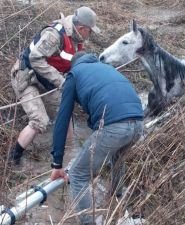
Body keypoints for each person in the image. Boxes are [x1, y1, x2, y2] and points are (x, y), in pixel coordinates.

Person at [50, 52, 144, 225]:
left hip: (114, 125)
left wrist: (57, 163)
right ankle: (115, 204)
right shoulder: (105, 68)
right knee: (117, 159)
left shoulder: (74, 74)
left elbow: (62, 119)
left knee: (78, 175)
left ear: (73, 65)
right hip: (138, 123)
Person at [9, 6, 100, 165]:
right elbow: (35, 59)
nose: (90, 35)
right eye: (90, 31)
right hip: (26, 78)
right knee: (40, 121)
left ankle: (69, 151)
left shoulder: (77, 39)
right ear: (81, 28)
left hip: (45, 80)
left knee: (64, 109)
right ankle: (14, 159)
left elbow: (74, 64)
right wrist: (61, 81)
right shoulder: (54, 35)